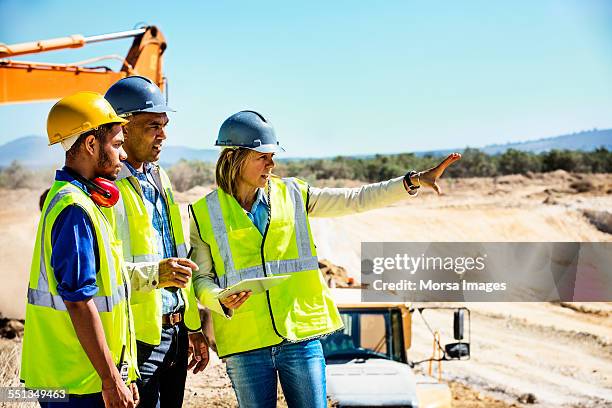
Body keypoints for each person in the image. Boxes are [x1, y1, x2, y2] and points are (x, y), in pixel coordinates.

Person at [189, 110, 461, 407]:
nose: (272, 164)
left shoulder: (293, 194)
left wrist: (411, 181)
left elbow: (355, 200)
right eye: (263, 157)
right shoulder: (204, 212)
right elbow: (201, 277)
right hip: (245, 342)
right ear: (235, 157)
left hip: (300, 337)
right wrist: (218, 298)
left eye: (272, 156)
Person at [21, 92, 139, 407]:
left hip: (83, 379)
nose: (123, 155)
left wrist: (124, 372)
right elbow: (78, 301)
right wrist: (112, 380)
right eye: (116, 145)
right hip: (76, 386)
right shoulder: (74, 207)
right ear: (90, 144)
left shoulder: (79, 200)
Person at [103, 76, 209, 408]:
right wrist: (154, 274)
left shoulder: (158, 176)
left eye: (164, 125)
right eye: (152, 125)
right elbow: (103, 270)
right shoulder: (104, 186)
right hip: (136, 340)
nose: (163, 134)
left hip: (175, 335)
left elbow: (176, 256)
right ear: (122, 127)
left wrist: (191, 326)